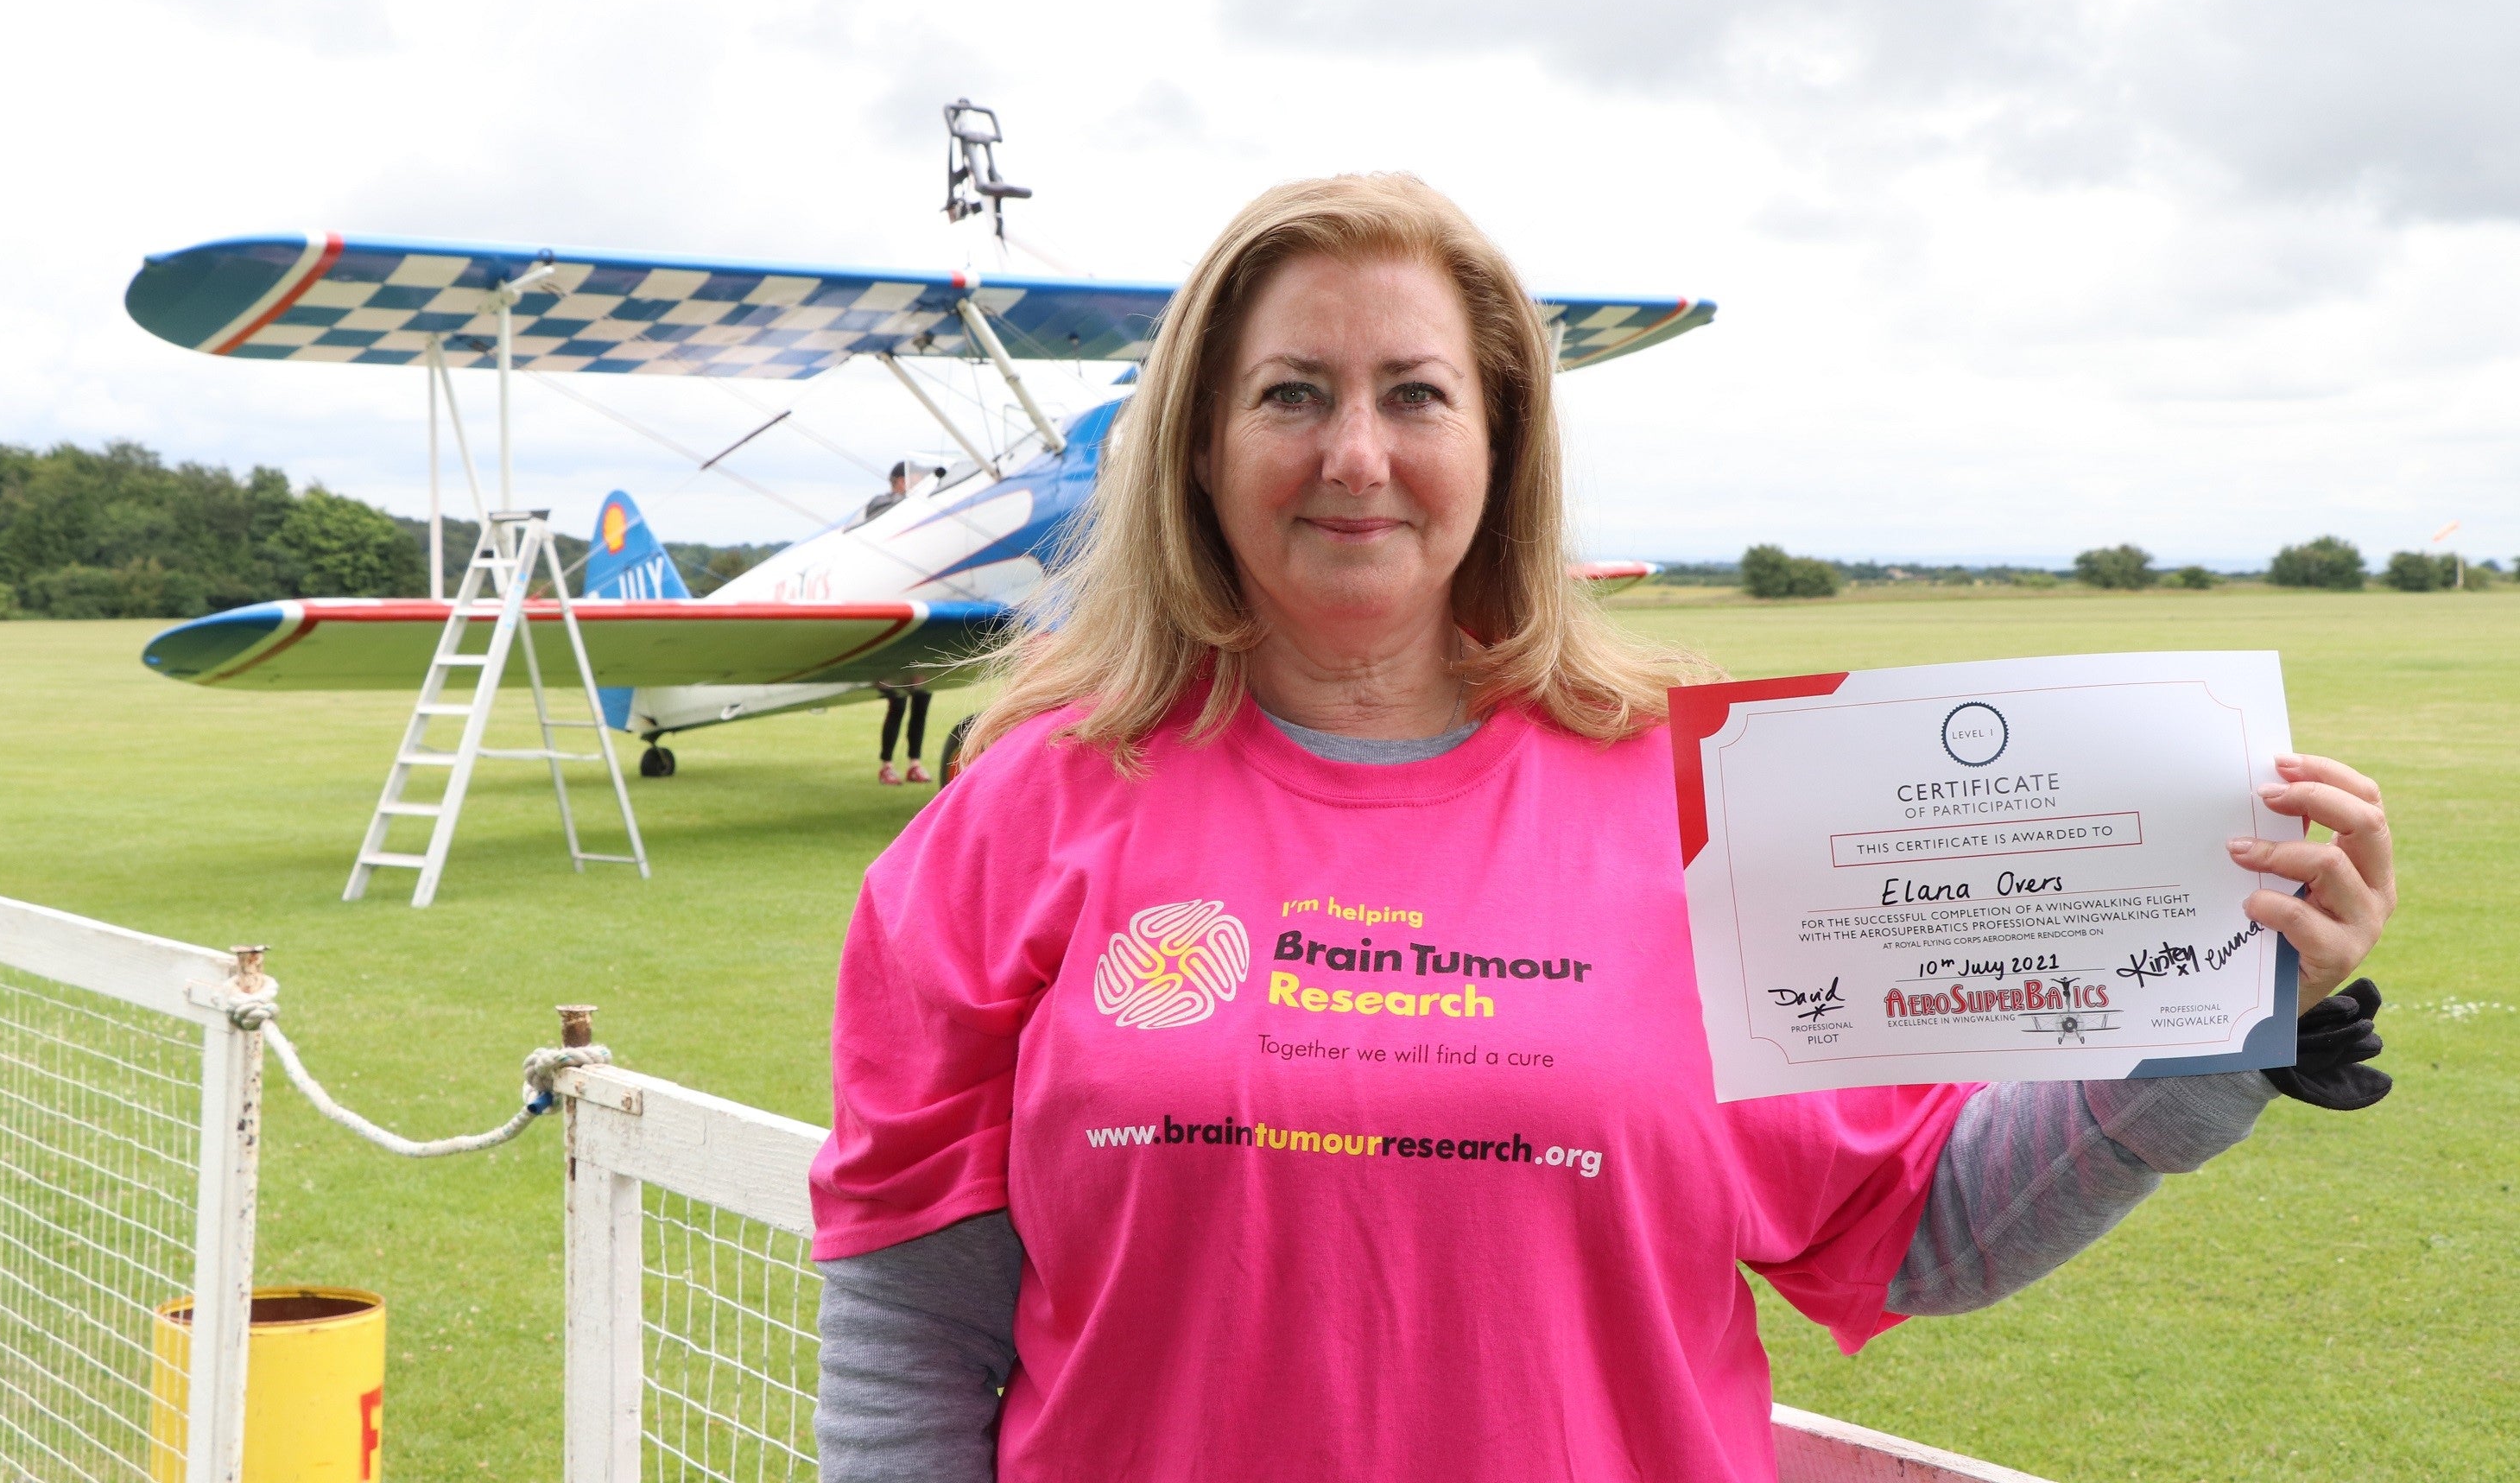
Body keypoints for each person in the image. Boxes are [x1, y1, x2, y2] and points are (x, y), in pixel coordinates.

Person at [806, 175, 2398, 1481]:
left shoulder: (1705, 804)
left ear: (1499, 450)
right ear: (1201, 448)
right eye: (1291, 394)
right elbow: (913, 1336)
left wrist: (2205, 1032)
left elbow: (1924, 1225)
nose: (1354, 454)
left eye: (1414, 396)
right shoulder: (1023, 815)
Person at [877, 684, 932, 786]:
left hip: (921, 669)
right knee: (897, 708)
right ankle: (886, 766)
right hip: (898, 671)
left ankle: (914, 766)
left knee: (920, 709)